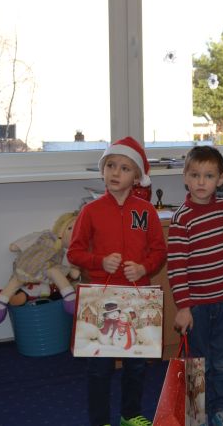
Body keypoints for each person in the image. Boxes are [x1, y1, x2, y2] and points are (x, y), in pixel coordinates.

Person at [67, 136, 167, 426]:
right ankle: (99, 420)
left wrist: (144, 267)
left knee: (137, 365)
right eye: (110, 165)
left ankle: (130, 415)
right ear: (103, 170)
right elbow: (74, 252)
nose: (115, 172)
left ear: (136, 176)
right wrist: (99, 261)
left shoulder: (145, 211)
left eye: (124, 168)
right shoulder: (91, 211)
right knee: (99, 368)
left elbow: (159, 251)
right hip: (102, 298)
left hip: (137, 296)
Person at [166, 146, 223, 426]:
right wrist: (183, 307)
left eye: (208, 176)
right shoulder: (182, 218)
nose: (201, 182)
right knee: (198, 362)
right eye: (195, 175)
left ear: (220, 179)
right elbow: (176, 267)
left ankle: (221, 409)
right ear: (185, 177)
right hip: (196, 306)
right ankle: (196, 413)